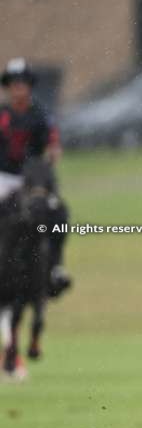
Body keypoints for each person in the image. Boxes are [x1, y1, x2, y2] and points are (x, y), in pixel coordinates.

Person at [0, 58, 72, 296]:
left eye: (22, 83)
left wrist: (53, 151)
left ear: (29, 86)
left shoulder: (40, 114)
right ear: (8, 87)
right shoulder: (2, 116)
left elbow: (52, 140)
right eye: (13, 84)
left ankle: (54, 268)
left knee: (58, 211)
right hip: (5, 177)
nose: (18, 88)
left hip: (34, 181)